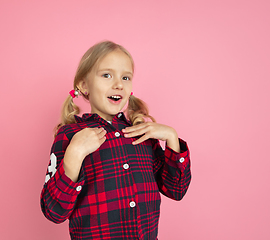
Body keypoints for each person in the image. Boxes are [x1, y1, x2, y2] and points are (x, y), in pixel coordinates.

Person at [40, 40, 191, 240]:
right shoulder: (70, 135)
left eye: (126, 77)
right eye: (106, 75)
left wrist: (172, 137)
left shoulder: (142, 134)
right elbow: (54, 212)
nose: (118, 84)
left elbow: (176, 190)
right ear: (84, 85)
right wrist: (74, 155)